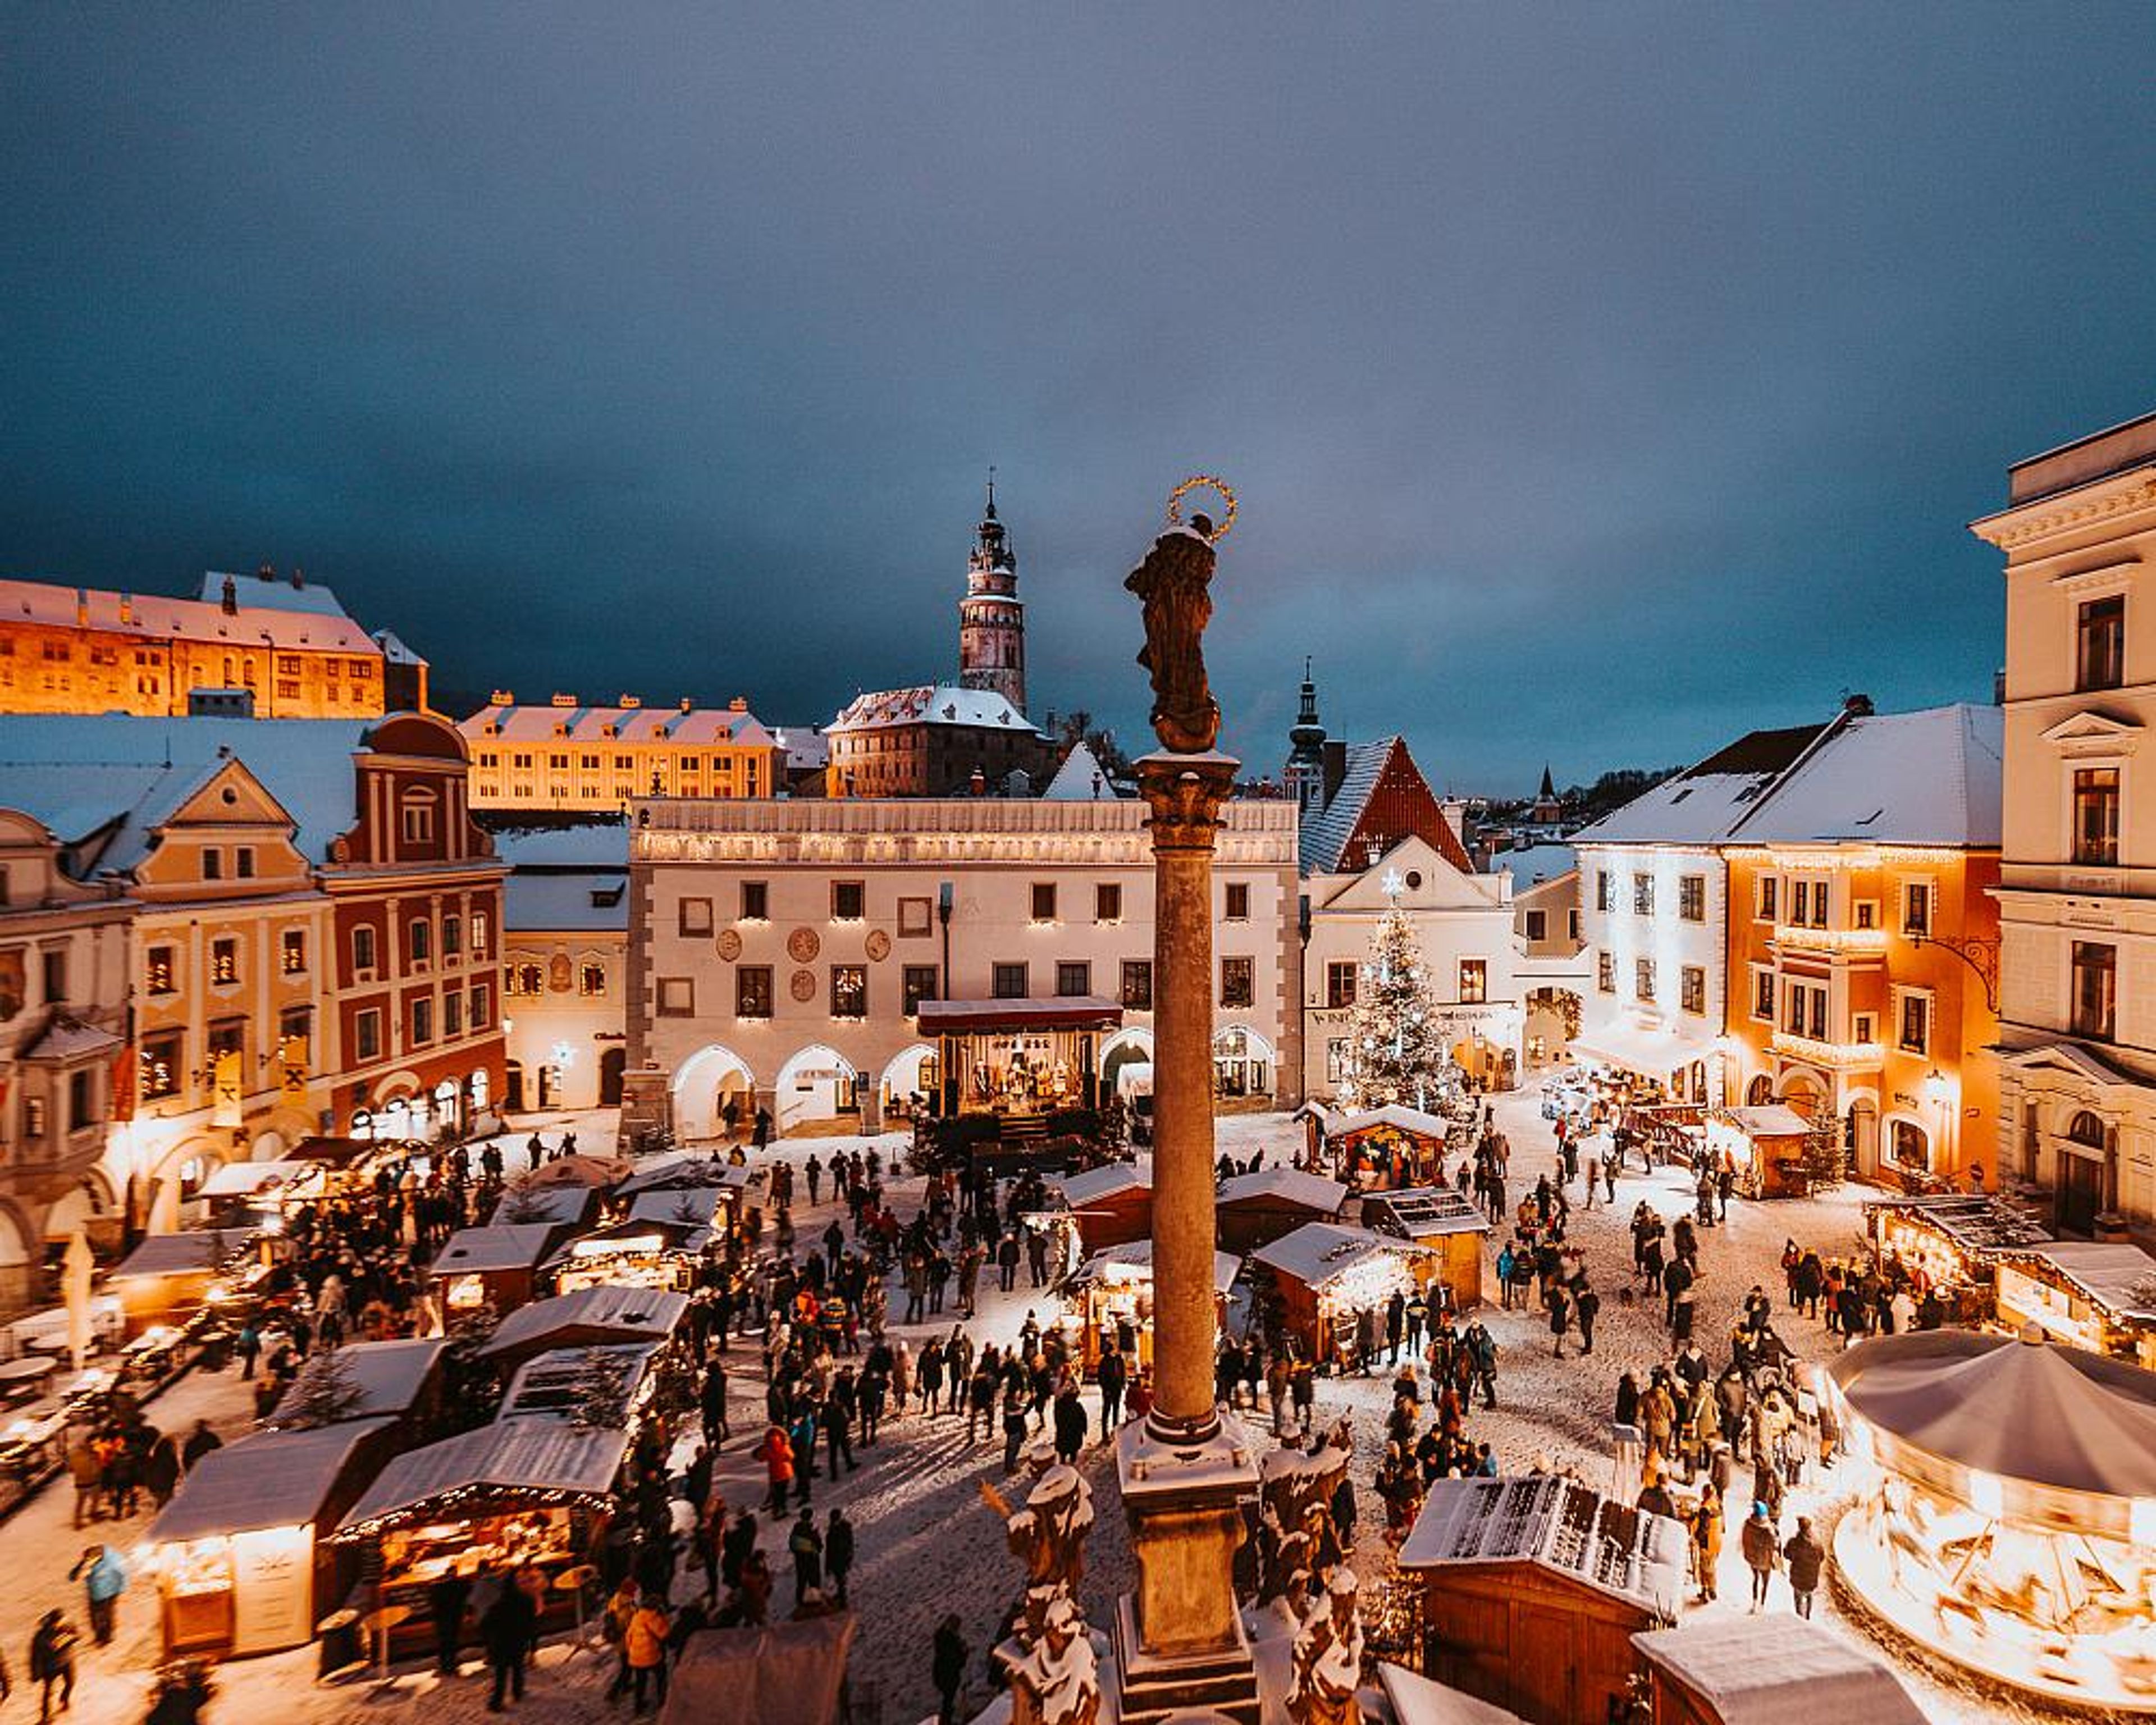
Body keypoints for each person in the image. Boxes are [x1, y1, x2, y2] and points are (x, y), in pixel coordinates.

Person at [482, 1566, 538, 1711]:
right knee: (518, 1668)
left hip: (501, 1643)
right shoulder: (527, 1601)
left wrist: (490, 1642)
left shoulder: (497, 1605)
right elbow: (532, 1624)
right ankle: (517, 1692)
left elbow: (487, 1624)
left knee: (501, 1673)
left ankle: (497, 1702)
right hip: (519, 1641)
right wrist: (532, 1646)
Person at [68, 1543, 126, 1646]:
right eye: (87, 1559)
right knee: (94, 1616)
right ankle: (99, 1636)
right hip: (94, 1592)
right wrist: (78, 1572)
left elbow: (120, 1574)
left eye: (91, 1560)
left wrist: (120, 1590)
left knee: (107, 1614)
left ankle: (107, 1637)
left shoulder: (110, 1561)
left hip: (110, 1591)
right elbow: (73, 1576)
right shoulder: (87, 1560)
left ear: (98, 1557)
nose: (88, 1561)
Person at [625, 1592, 671, 1713]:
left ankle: (638, 1706)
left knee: (641, 1681)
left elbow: (628, 1636)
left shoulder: (636, 1617)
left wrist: (632, 1650)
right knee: (661, 1675)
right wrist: (664, 1618)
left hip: (636, 1656)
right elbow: (664, 1634)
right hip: (651, 1655)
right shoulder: (654, 1617)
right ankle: (662, 1699)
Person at [29, 1610, 75, 1724]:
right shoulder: (40, 1637)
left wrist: (67, 1640)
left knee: (71, 1683)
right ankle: (46, 1717)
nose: (65, 1622)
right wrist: (36, 1674)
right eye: (62, 1621)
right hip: (50, 1668)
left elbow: (77, 1635)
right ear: (55, 1623)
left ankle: (64, 1699)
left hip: (67, 1661)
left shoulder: (67, 1625)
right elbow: (36, 1657)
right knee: (48, 1692)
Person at [429, 1569, 472, 1676]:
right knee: (453, 1641)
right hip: (455, 1618)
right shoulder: (461, 1585)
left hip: (441, 1619)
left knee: (443, 1641)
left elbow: (432, 1601)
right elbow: (468, 1592)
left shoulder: (436, 1587)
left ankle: (444, 1665)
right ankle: (451, 1664)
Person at [1783, 1515, 1826, 1618]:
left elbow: (1786, 1555)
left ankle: (1799, 1617)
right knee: (1809, 1595)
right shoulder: (1817, 1543)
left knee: (1798, 1598)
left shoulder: (1793, 1542)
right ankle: (1807, 1616)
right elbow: (1822, 1557)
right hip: (1812, 1580)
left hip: (1798, 1580)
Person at [1741, 1500, 1778, 1611]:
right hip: (1765, 1561)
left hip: (1753, 1559)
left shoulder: (1748, 1523)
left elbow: (1745, 1540)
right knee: (1765, 1583)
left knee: (1755, 1579)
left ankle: (1754, 1603)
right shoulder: (1769, 1529)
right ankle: (1762, 1605)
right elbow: (1774, 1544)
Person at [931, 1613, 968, 1725]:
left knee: (948, 1700)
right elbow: (957, 1660)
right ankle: (946, 1722)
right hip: (949, 1675)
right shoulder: (950, 1640)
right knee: (948, 1701)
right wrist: (964, 1652)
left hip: (942, 1674)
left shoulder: (942, 1637)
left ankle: (947, 1720)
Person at [788, 1506, 824, 1607]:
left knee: (801, 1582)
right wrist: (813, 1547)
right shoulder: (812, 1529)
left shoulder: (797, 1528)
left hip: (801, 1560)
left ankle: (800, 1602)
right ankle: (815, 1601)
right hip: (812, 1560)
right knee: (814, 1581)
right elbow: (819, 1546)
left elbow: (793, 1545)